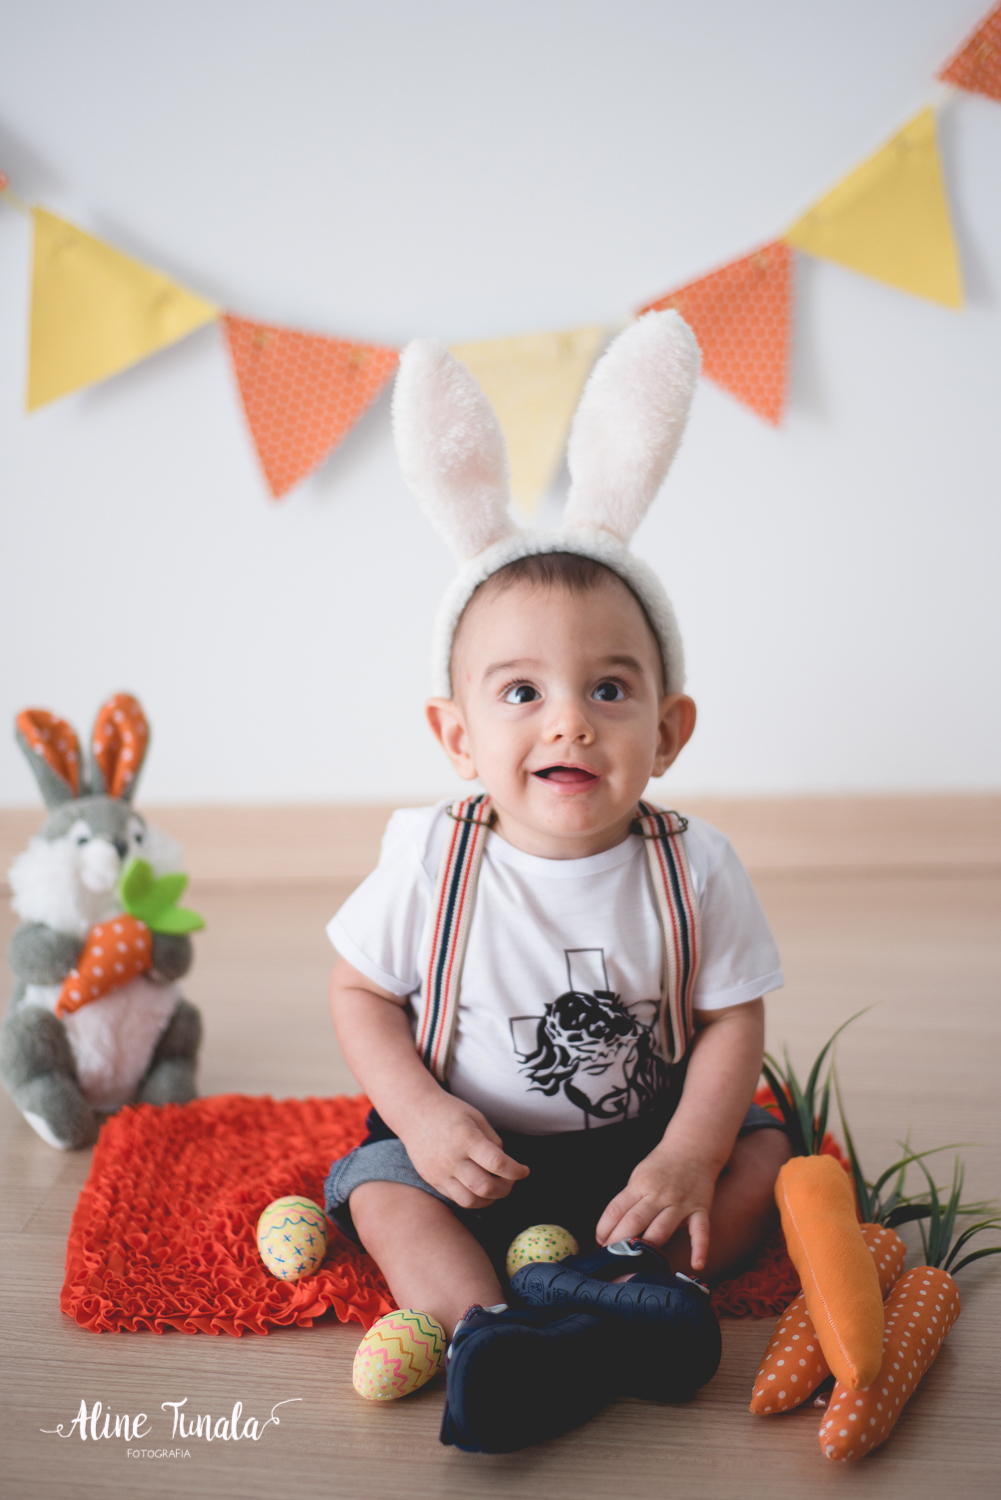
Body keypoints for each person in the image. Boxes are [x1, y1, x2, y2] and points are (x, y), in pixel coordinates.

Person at [325, 314, 791, 1451]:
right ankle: (498, 1329)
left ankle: (603, 1292)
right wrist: (426, 1116)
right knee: (383, 1194)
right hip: (467, 1149)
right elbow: (357, 995)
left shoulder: (695, 867)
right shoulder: (432, 857)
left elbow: (733, 1017)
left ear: (668, 729)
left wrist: (686, 1154)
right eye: (520, 692)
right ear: (454, 732)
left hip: (636, 1153)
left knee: (768, 1162)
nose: (569, 719)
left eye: (610, 690)